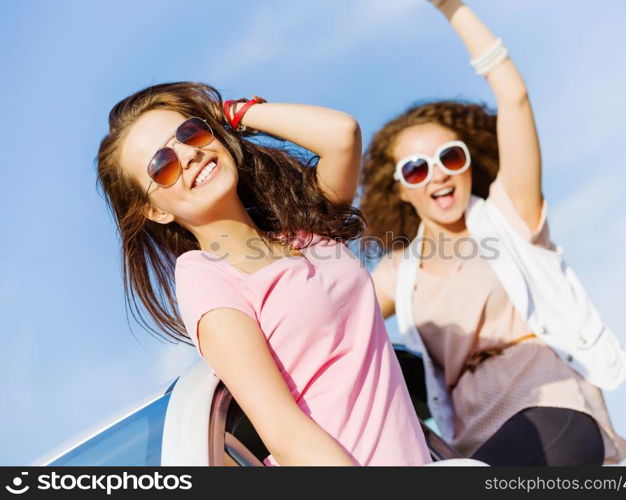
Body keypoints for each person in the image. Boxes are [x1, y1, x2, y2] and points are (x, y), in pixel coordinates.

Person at [95, 81, 433, 466]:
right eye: (162, 165)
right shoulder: (206, 280)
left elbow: (342, 135)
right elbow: (283, 430)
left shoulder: (305, 231)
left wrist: (232, 114)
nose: (188, 155)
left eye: (191, 132)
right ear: (154, 210)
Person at [361, 0, 626, 465]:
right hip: (474, 441)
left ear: (467, 163)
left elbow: (513, 97)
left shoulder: (509, 216)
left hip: (551, 409)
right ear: (401, 189)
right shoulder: (399, 274)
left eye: (450, 157)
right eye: (417, 168)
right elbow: (328, 316)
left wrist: (450, 8)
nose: (438, 175)